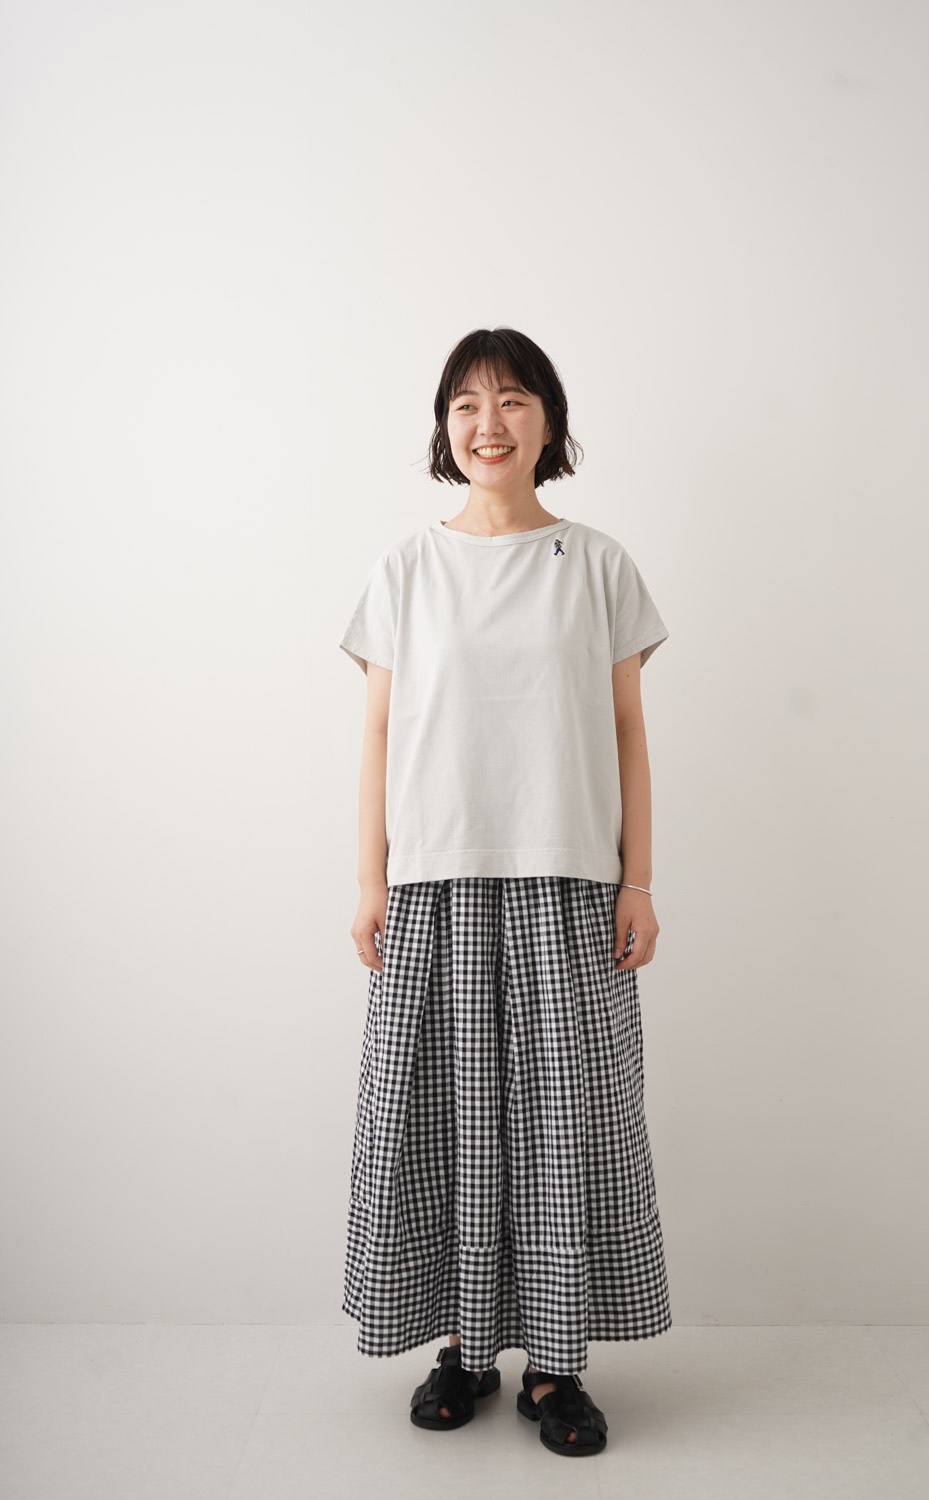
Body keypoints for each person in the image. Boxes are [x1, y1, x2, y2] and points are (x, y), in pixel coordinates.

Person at [339, 327, 672, 1458]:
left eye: (515, 399)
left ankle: (557, 1365)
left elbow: (627, 731)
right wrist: (370, 878)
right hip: (436, 881)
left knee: (563, 1122)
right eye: (467, 404)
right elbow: (378, 733)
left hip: (568, 881)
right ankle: (464, 1349)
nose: (490, 423)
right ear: (445, 428)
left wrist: (639, 879)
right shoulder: (405, 569)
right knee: (444, 1118)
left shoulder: (599, 564)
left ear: (549, 422)